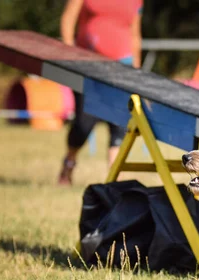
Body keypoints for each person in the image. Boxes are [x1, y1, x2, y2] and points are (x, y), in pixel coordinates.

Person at [58, 0, 143, 185]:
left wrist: (136, 72)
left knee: (119, 125)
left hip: (123, 67)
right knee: (83, 124)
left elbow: (135, 35)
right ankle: (69, 163)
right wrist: (69, 55)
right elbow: (68, 19)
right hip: (87, 65)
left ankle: (114, 182)